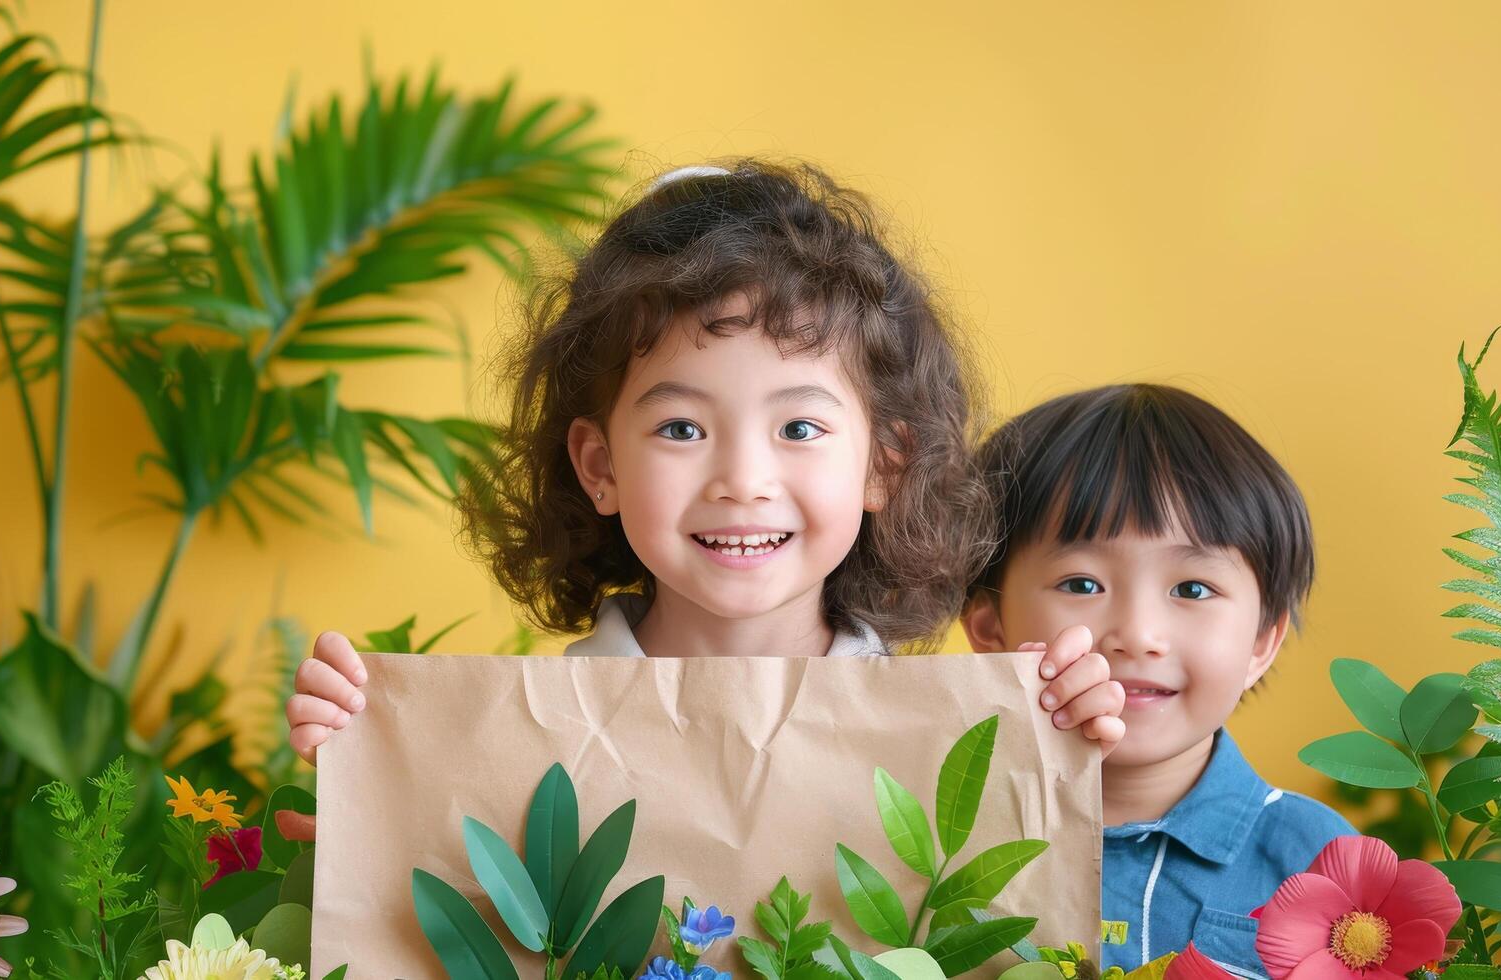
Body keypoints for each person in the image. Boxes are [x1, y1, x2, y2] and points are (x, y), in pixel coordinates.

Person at [281, 161, 1127, 841]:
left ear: (884, 463)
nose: (741, 479)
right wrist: (371, 792)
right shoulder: (512, 745)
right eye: (681, 429)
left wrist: (1068, 740)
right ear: (598, 464)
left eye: (798, 428)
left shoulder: (952, 747)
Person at [962, 384, 1355, 978]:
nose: (1138, 634)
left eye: (1192, 589)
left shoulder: (1320, 862)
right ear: (989, 627)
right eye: (1081, 584)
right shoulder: (938, 842)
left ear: (1260, 643)